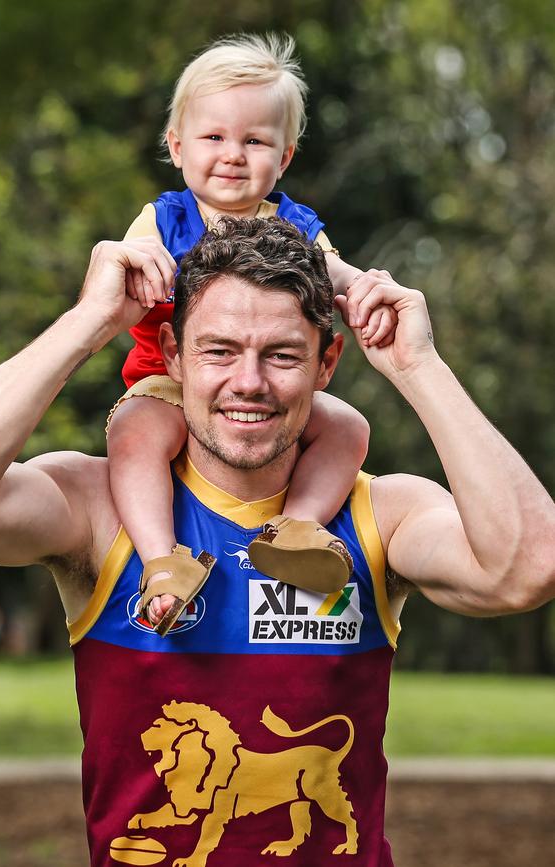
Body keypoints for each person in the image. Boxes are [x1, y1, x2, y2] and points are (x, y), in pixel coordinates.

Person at [0, 218, 553, 867]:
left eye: (282, 354)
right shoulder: (103, 508)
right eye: (219, 350)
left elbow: (530, 566)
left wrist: (419, 367)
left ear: (328, 361)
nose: (249, 382)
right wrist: (88, 323)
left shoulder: (380, 513)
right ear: (173, 354)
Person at [107, 34, 396, 633]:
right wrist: (136, 265)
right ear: (177, 146)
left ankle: (298, 529)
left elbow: (335, 274)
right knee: (134, 433)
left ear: (284, 157)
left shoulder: (293, 223)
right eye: (214, 138)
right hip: (169, 381)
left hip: (263, 392)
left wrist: (367, 290)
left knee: (346, 426)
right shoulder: (165, 219)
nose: (233, 154)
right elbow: (130, 258)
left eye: (255, 141)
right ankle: (162, 561)